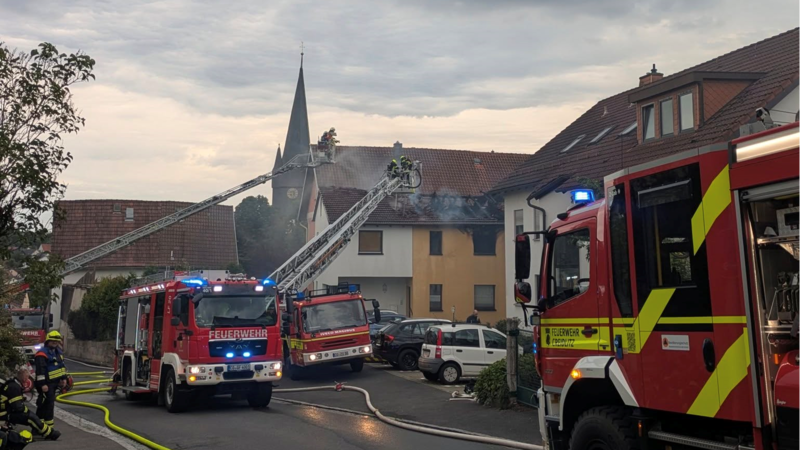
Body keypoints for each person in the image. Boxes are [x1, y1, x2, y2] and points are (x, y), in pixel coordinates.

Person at [1, 367, 59, 440]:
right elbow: (18, 407)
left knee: (30, 416)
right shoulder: (14, 387)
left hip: (5, 411)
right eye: (28, 377)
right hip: (4, 413)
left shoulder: (13, 384)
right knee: (30, 418)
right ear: (25, 379)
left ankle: (45, 431)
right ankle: (50, 433)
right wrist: (27, 412)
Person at [33, 330, 68, 428]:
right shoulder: (42, 354)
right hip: (46, 384)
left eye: (57, 341)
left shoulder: (58, 352)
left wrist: (64, 378)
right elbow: (40, 371)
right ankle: (41, 428)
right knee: (46, 406)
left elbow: (61, 366)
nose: (55, 342)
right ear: (47, 341)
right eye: (53, 341)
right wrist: (43, 384)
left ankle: (44, 428)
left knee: (49, 405)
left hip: (54, 383)